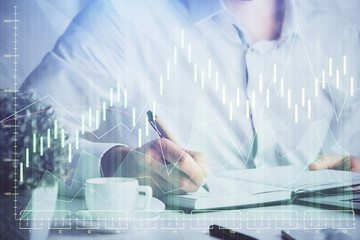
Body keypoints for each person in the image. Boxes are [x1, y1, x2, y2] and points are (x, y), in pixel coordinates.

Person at [21, 0, 360, 199]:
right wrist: (112, 165)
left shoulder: (338, 31)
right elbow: (15, 140)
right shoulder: (123, 16)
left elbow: (350, 155)